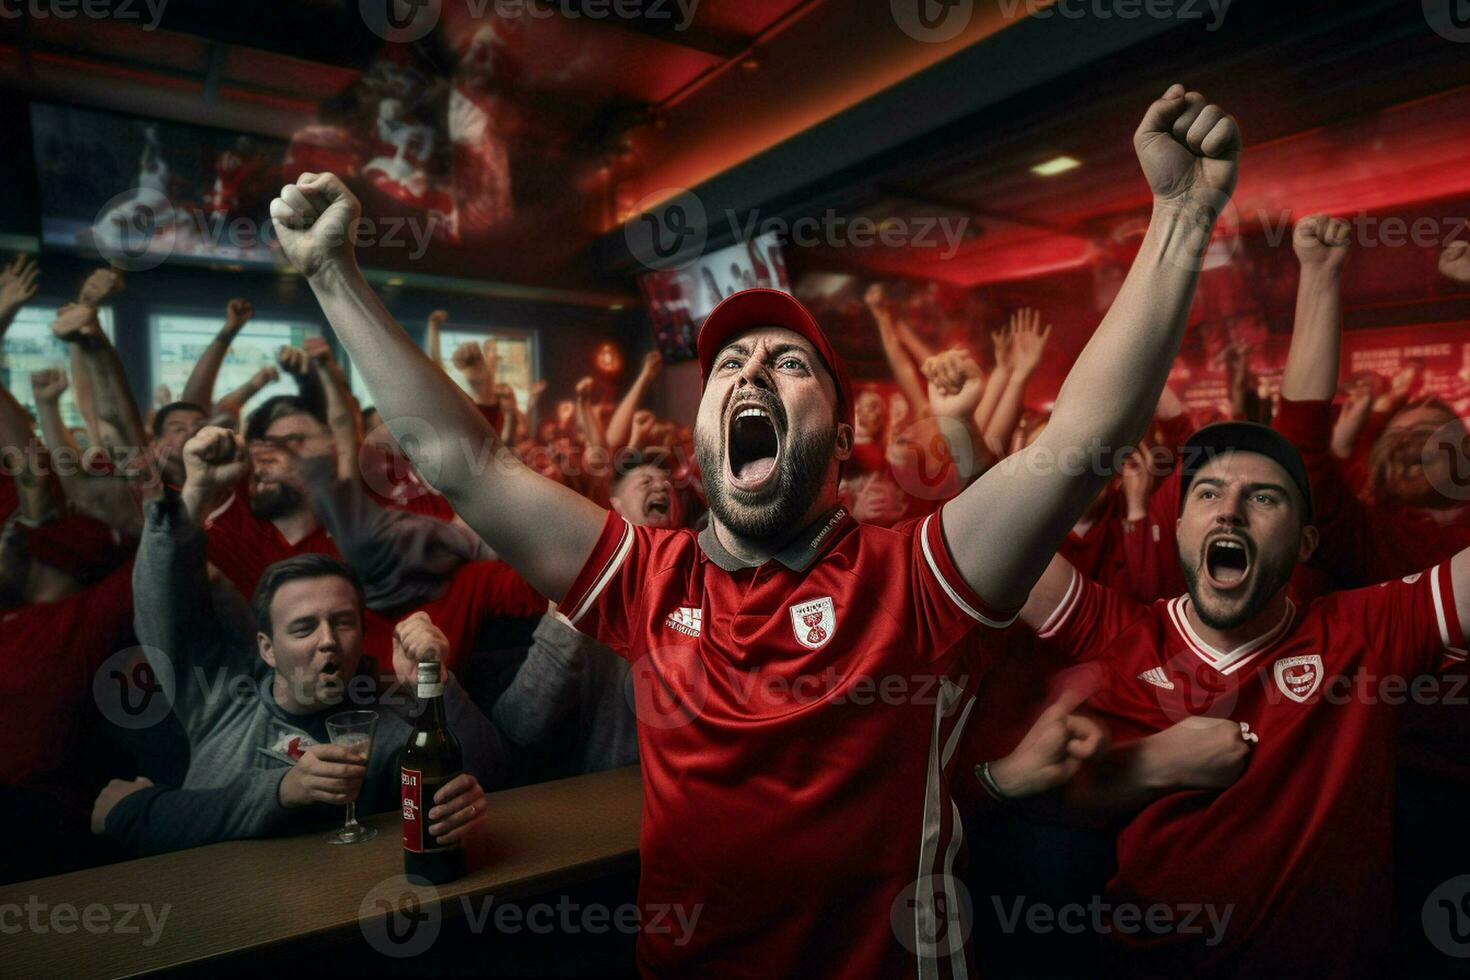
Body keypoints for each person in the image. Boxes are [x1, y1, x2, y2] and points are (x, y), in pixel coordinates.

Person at [271, 83, 1241, 976]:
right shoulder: (650, 580)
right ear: (701, 436)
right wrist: (335, 278)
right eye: (729, 366)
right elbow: (467, 463)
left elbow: (1083, 435)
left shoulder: (915, 575)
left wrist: (1183, 219)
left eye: (788, 364)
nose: (749, 374)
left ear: (846, 432)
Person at [1010, 419, 1470, 978]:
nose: (1229, 510)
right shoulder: (1120, 637)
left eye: (1264, 497)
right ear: (1179, 529)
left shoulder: (1365, 634)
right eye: (1208, 493)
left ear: (1305, 542)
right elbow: (991, 539)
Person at [95, 427, 507, 855]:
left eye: (343, 622)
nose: (328, 640)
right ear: (267, 648)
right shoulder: (219, 697)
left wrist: (433, 681)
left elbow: (490, 776)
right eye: (303, 627)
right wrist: (197, 494)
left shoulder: (386, 728)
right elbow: (159, 600)